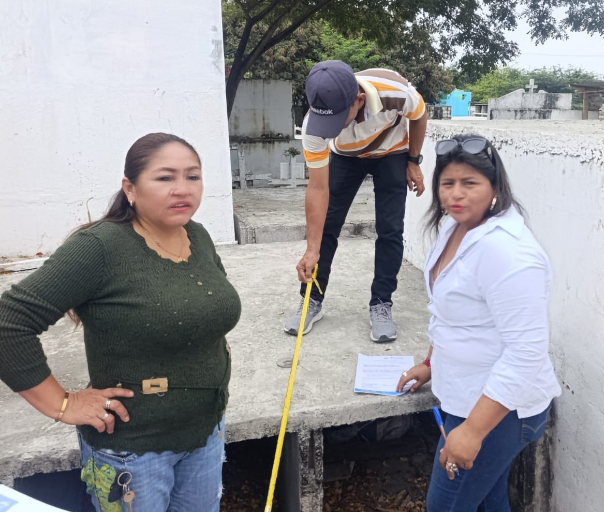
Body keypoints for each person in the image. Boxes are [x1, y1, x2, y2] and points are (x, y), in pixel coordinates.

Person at [0, 133, 241, 511]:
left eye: (192, 176)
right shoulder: (100, 248)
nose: (182, 189)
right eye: (165, 177)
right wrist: (62, 404)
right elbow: (9, 322)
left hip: (206, 433)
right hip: (133, 454)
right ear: (130, 188)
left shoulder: (196, 234)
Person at [397, 134, 561, 511]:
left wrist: (472, 431)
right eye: (447, 183)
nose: (456, 194)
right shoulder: (455, 228)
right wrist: (430, 363)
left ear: (495, 188)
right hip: (468, 396)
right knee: (489, 500)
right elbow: (452, 314)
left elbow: (527, 352)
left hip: (500, 411)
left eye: (469, 183)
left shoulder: (508, 252)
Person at [286, 60, 428, 342]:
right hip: (346, 157)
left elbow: (420, 115)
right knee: (327, 227)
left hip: (392, 152)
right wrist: (311, 249)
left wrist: (413, 161)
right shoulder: (314, 126)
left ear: (359, 100)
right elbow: (318, 188)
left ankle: (381, 304)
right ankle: (312, 299)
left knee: (390, 229)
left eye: (337, 120)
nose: (329, 129)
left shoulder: (396, 92)